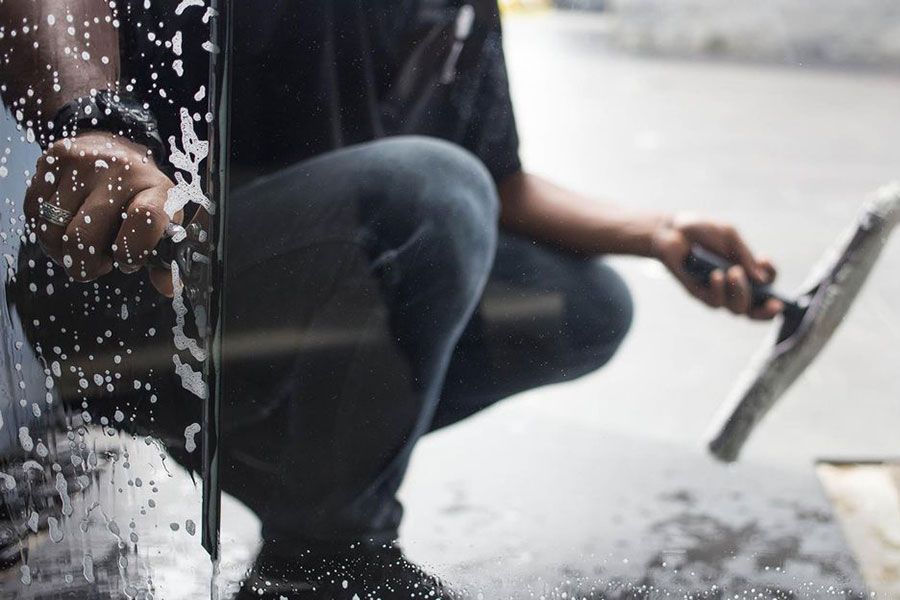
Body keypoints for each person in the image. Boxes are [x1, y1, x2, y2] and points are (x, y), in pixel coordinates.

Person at [0, 1, 783, 598]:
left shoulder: (456, 11)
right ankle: (329, 555)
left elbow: (498, 181)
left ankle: (304, 491)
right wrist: (93, 125)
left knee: (581, 308)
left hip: (291, 298)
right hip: (132, 298)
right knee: (429, 189)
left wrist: (658, 232)